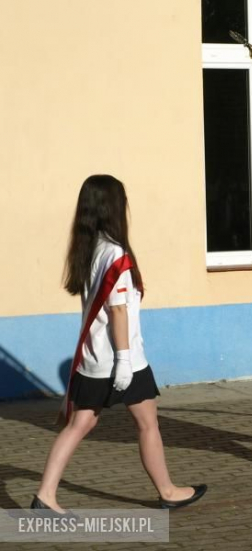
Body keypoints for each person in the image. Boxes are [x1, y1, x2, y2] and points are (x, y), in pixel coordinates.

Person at [32, 175, 207, 513]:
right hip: (121, 358)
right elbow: (118, 311)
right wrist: (125, 360)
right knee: (147, 423)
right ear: (113, 208)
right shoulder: (115, 253)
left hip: (92, 357)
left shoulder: (90, 248)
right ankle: (168, 491)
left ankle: (45, 495)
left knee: (80, 424)